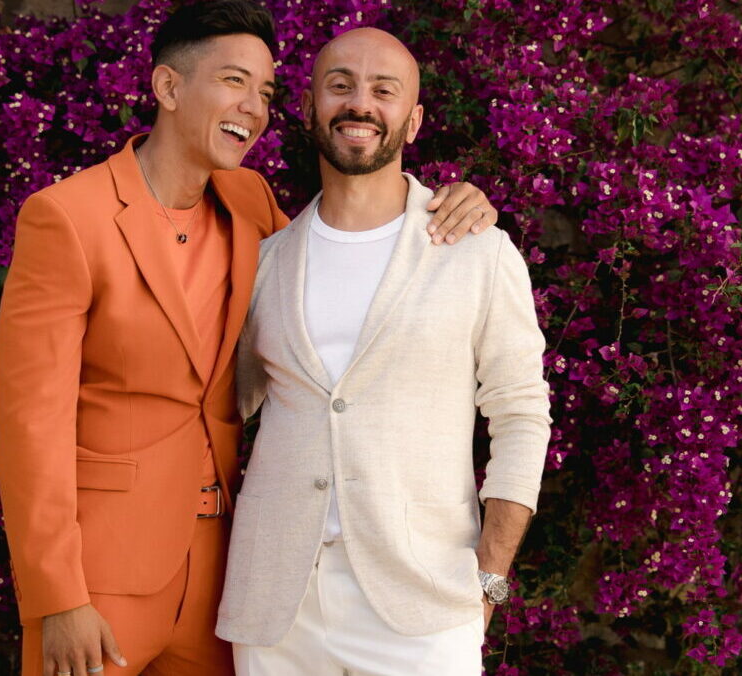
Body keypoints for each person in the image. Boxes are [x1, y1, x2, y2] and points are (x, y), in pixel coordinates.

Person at [0, 3, 500, 675]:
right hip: (103, 573)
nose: (255, 108)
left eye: (265, 92)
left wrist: (451, 205)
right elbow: (31, 423)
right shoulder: (67, 217)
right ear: (169, 88)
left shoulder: (249, 203)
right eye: (235, 82)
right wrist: (56, 597)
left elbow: (348, 275)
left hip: (225, 577)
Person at [215, 27, 552, 675]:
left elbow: (521, 419)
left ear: (415, 119)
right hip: (278, 606)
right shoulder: (264, 261)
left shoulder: (477, 250)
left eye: (384, 90)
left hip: (422, 601)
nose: (360, 103)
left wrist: (489, 578)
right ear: (310, 108)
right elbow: (223, 406)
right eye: (339, 86)